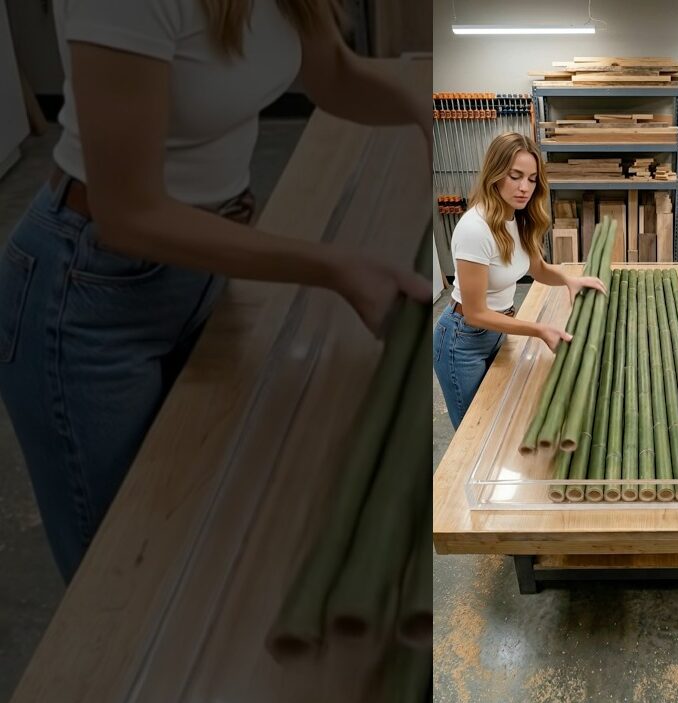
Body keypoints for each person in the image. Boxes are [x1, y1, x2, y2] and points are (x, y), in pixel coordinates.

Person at [0, 0, 429, 582]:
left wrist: (432, 110)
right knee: (119, 575)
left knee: (193, 519)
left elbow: (332, 75)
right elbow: (128, 216)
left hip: (196, 262)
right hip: (85, 298)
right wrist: (335, 267)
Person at [433, 132, 605, 428]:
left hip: (498, 329)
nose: (524, 187)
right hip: (462, 340)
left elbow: (537, 269)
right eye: (515, 176)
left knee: (498, 418)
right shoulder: (475, 229)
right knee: (474, 431)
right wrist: (538, 330)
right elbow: (475, 312)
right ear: (495, 173)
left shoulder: (518, 218)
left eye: (532, 179)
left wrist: (569, 280)